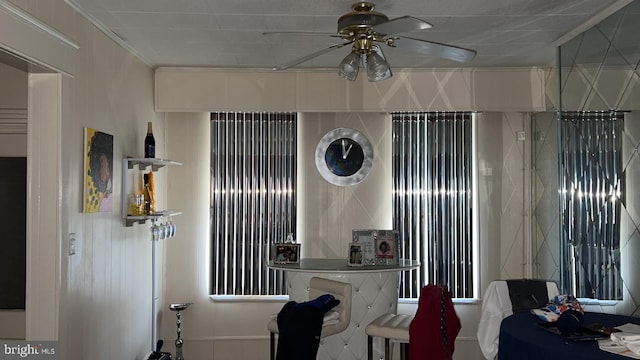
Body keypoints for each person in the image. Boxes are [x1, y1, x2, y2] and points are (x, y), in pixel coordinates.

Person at [87, 130, 113, 212]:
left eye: (102, 164)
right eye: (101, 166)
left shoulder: (107, 201)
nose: (106, 165)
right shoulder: (105, 203)